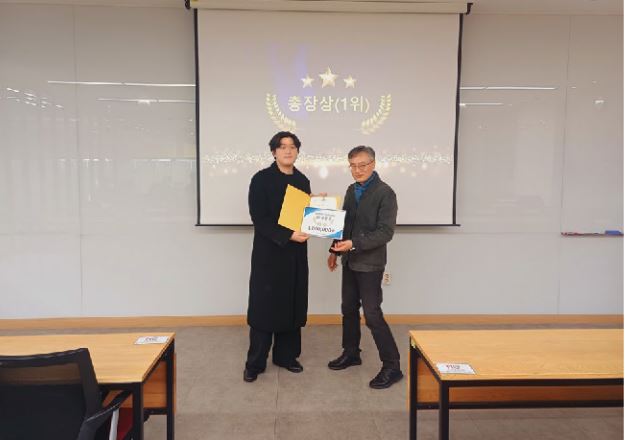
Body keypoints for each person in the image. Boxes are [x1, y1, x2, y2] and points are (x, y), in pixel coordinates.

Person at [327, 145, 403, 389]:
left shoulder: (385, 193)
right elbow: (344, 223)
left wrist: (354, 244)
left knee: (372, 314)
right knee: (348, 308)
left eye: (362, 165)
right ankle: (351, 353)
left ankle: (392, 366)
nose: (357, 170)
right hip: (349, 260)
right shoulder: (351, 190)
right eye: (353, 166)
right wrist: (334, 250)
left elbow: (385, 232)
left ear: (373, 164)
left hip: (370, 263)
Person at [244, 131, 311, 383]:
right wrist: (288, 235)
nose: (288, 151)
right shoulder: (261, 179)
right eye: (282, 147)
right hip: (269, 255)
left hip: (295, 255)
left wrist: (318, 213)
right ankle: (255, 363)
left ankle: (287, 357)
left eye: (292, 147)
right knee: (265, 308)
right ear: (274, 152)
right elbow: (259, 218)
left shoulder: (302, 180)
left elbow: (305, 216)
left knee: (292, 305)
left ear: (297, 151)